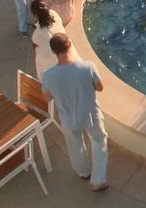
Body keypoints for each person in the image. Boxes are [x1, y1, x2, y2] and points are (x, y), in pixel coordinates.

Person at [42, 33, 108, 191]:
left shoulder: (48, 75)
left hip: (68, 117)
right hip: (90, 114)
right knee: (99, 142)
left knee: (75, 144)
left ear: (53, 51)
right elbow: (100, 87)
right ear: (70, 44)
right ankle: (98, 180)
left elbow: (47, 98)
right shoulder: (87, 67)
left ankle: (84, 172)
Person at [30, 0, 66, 80]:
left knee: (38, 52)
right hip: (63, 47)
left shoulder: (38, 33)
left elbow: (35, 45)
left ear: (35, 15)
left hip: (55, 58)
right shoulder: (54, 14)